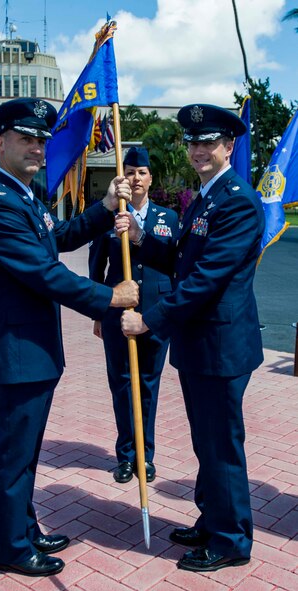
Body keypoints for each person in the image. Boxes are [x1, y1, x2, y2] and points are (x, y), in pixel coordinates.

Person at [0, 97, 139, 577]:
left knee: (25, 452)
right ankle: (10, 549)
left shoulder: (25, 196)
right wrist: (110, 297)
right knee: (13, 455)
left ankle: (24, 528)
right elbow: (45, 273)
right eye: (26, 138)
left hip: (31, 351)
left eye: (41, 139)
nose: (38, 147)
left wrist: (105, 207)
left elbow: (58, 236)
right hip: (15, 352)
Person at [121, 104, 265, 572]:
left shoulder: (238, 200)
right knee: (207, 441)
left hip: (220, 345)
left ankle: (230, 540)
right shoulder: (206, 196)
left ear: (229, 146)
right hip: (202, 344)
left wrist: (150, 320)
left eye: (209, 142)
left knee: (221, 444)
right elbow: (185, 258)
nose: (199, 150)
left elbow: (206, 278)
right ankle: (213, 520)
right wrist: (143, 240)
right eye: (193, 143)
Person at [89, 146, 179, 484]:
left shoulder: (168, 219)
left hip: (157, 314)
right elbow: (95, 266)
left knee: (148, 385)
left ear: (150, 178)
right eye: (129, 172)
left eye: (141, 172)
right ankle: (126, 456)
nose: (135, 178)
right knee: (123, 385)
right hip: (116, 314)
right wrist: (98, 311)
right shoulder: (109, 217)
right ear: (121, 177)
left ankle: (147, 456)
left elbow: (175, 265)